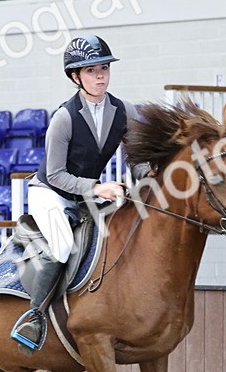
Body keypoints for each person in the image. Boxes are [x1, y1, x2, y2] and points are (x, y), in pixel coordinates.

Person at [10, 34, 146, 351]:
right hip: (50, 192)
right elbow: (56, 175)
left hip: (86, 194)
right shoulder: (64, 118)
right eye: (91, 71)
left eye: (104, 68)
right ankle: (33, 317)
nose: (100, 76)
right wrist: (97, 187)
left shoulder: (125, 110)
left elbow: (137, 159)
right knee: (61, 247)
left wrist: (150, 178)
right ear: (75, 77)